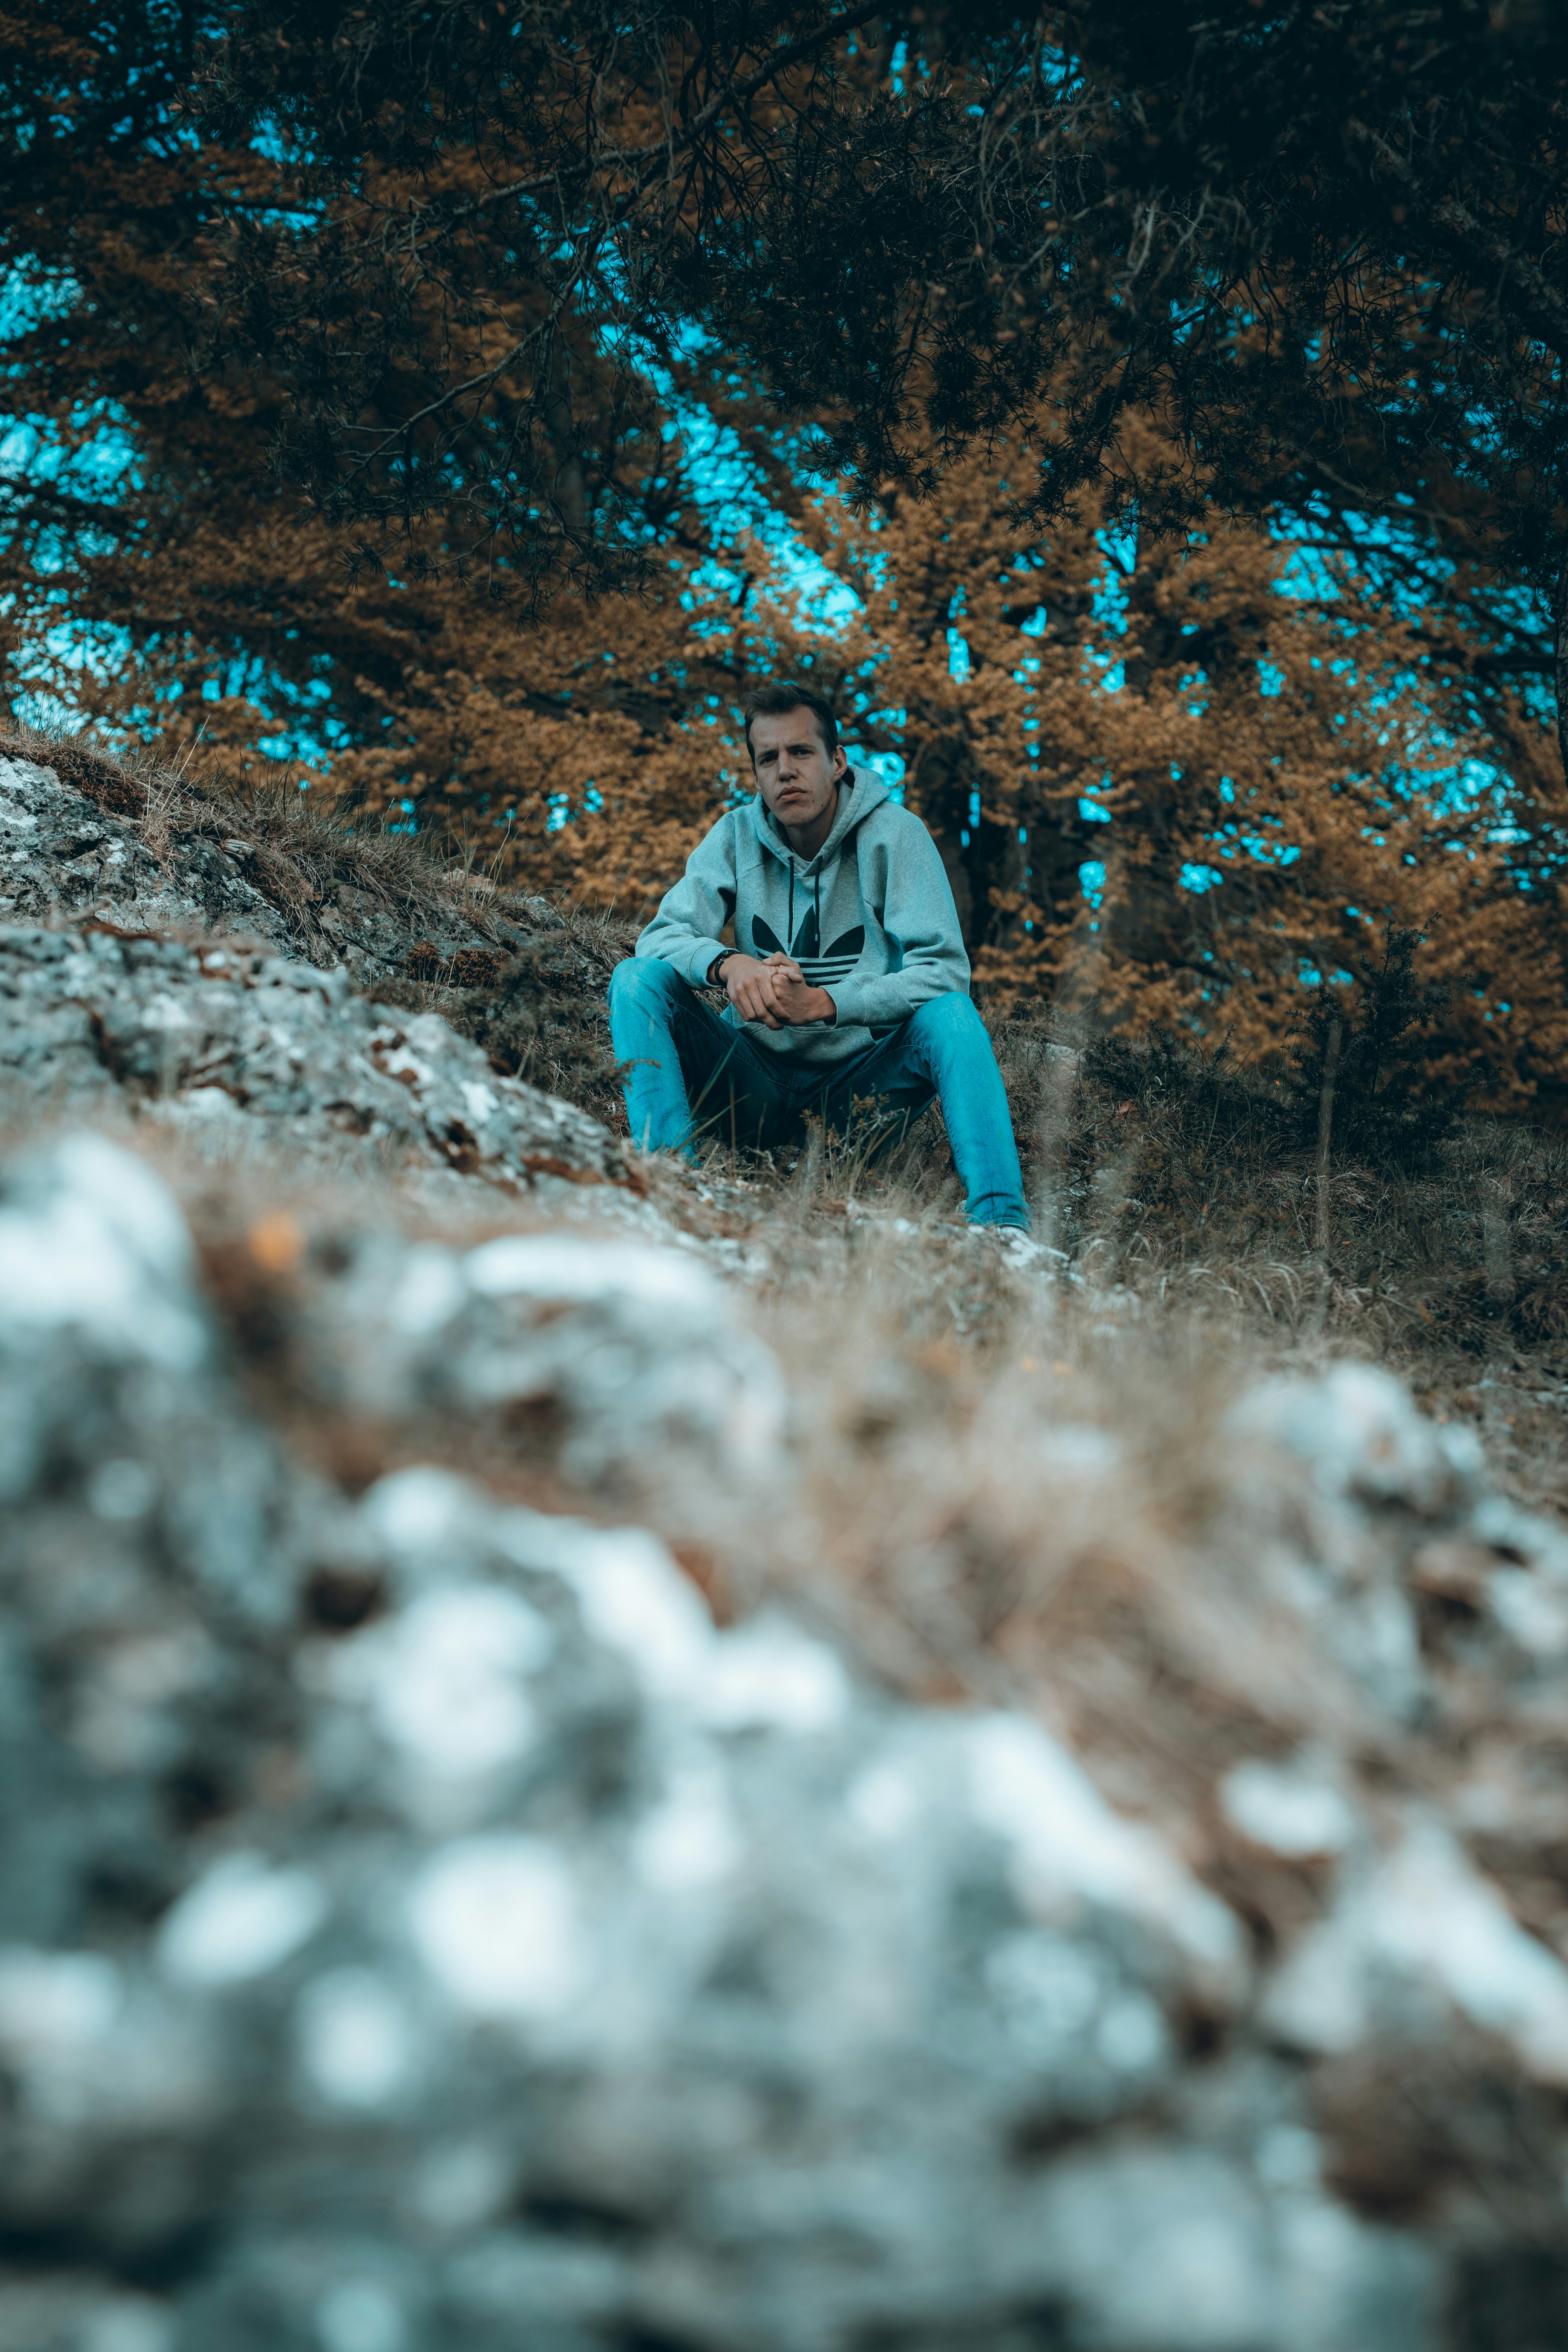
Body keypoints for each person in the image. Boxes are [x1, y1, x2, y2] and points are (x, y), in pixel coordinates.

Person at [608, 679, 1031, 1230]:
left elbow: (945, 974)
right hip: (748, 1087)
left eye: (801, 752)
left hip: (856, 1101)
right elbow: (659, 938)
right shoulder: (734, 836)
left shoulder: (896, 836)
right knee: (636, 979)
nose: (785, 770)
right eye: (769, 759)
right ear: (757, 774)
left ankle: (1003, 1229)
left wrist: (826, 1003)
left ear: (836, 761)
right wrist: (729, 965)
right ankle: (670, 1191)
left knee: (951, 1017)